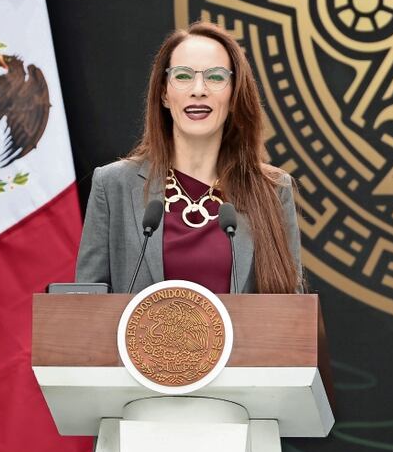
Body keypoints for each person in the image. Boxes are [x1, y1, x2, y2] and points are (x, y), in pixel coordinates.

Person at [75, 22, 302, 294]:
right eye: (183, 76)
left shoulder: (273, 190)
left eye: (215, 77)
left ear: (234, 95)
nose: (198, 89)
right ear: (164, 93)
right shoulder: (113, 185)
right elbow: (84, 305)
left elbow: (291, 310)